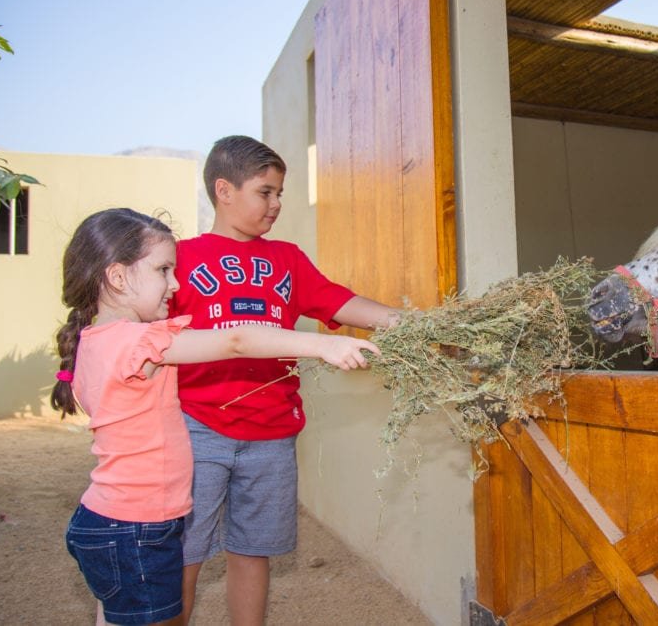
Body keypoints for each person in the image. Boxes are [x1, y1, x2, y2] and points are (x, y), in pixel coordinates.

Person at [51, 208, 379, 626]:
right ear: (118, 277)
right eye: (164, 270)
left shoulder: (97, 341)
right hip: (136, 527)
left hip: (108, 519)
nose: (175, 283)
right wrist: (322, 346)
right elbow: (236, 340)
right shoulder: (142, 343)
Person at [169, 135, 399, 625]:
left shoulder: (287, 259)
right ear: (224, 190)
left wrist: (403, 321)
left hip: (273, 431)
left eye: (279, 193)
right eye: (265, 192)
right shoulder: (181, 258)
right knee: (184, 554)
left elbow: (338, 301)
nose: (276, 204)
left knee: (254, 550)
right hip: (197, 428)